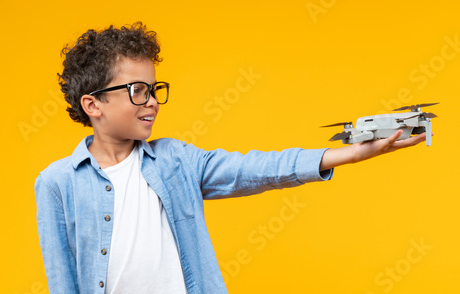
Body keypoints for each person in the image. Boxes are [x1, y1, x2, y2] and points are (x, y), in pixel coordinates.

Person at [34, 22, 427, 294]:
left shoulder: (175, 161)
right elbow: (62, 280)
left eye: (155, 89)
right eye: (138, 90)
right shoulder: (57, 183)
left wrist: (348, 154)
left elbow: (255, 169)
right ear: (93, 105)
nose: (152, 101)